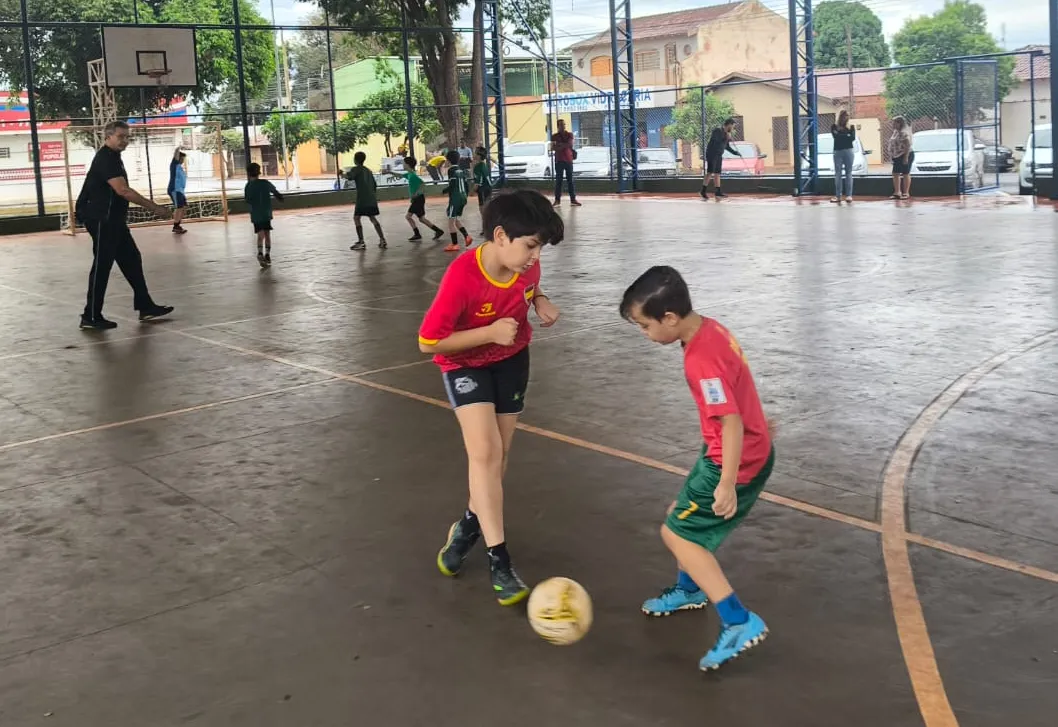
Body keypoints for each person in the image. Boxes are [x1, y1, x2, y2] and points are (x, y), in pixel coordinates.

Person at [620, 266, 774, 671]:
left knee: (677, 535)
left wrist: (726, 483)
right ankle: (690, 590)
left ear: (669, 318)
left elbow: (730, 421)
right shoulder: (710, 330)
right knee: (680, 515)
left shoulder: (701, 360)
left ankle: (738, 620)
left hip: (732, 460)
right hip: (735, 450)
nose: (645, 334)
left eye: (645, 326)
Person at [418, 189, 564, 606]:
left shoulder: (527, 267)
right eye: (531, 245)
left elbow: (531, 287)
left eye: (540, 248)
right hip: (464, 365)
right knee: (484, 452)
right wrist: (489, 332)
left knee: (498, 459)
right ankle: (499, 560)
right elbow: (428, 341)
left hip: (512, 360)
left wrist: (541, 300)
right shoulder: (462, 277)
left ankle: (468, 525)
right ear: (500, 236)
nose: (535, 256)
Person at [74, 120, 173, 331]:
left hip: (114, 220)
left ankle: (145, 306)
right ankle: (91, 316)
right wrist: (154, 207)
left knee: (131, 259)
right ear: (108, 136)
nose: (125, 141)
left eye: (127, 137)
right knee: (102, 265)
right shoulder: (106, 159)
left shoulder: (114, 157)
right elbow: (123, 190)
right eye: (121, 137)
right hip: (102, 219)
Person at [244, 162, 285, 267]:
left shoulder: (248, 186)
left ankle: (260, 253)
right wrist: (280, 198)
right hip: (266, 213)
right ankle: (267, 254)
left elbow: (247, 200)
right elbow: (276, 192)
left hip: (256, 214)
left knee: (260, 234)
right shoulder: (265, 183)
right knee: (267, 234)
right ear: (259, 172)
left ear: (248, 173)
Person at [395, 156, 444, 242]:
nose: (402, 164)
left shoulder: (413, 175)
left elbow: (422, 184)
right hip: (418, 199)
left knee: (408, 216)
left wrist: (415, 194)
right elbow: (400, 175)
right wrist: (389, 172)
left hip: (418, 199)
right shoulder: (410, 174)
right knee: (421, 219)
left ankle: (417, 234)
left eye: (404, 163)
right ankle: (438, 231)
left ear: (408, 164)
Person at [347, 151, 387, 250]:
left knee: (356, 218)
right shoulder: (368, 170)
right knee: (372, 218)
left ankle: (361, 242)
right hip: (371, 198)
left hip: (362, 199)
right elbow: (374, 185)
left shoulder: (356, 169)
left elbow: (350, 177)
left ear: (355, 160)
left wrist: (342, 174)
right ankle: (382, 239)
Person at [702, 118, 742, 199]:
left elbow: (727, 147)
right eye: (733, 126)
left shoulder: (726, 134)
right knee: (710, 172)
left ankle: (718, 192)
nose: (733, 128)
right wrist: (725, 137)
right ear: (729, 124)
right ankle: (703, 191)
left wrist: (735, 153)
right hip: (712, 154)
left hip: (719, 155)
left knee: (717, 173)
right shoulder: (718, 131)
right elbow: (715, 141)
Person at [443, 149, 472, 253]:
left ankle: (454, 244)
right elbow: (466, 185)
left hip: (455, 198)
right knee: (455, 219)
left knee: (451, 221)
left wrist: (444, 190)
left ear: (448, 160)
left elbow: (452, 184)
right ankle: (467, 236)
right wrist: (465, 195)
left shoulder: (451, 170)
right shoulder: (461, 170)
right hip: (463, 197)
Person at [551, 119, 580, 206]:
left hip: (568, 160)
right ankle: (557, 200)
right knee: (558, 181)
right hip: (559, 160)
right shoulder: (554, 136)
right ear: (558, 126)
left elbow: (569, 144)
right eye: (561, 125)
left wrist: (560, 145)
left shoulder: (569, 134)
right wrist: (562, 145)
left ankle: (573, 199)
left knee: (570, 180)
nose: (563, 126)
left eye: (564, 124)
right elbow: (553, 147)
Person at [831, 111, 856, 204]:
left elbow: (852, 138)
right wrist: (847, 135)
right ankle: (838, 196)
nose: (846, 118)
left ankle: (849, 195)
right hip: (838, 151)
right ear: (840, 117)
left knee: (848, 172)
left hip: (848, 150)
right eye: (845, 116)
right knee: (838, 173)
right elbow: (836, 136)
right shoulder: (834, 126)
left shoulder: (851, 126)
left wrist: (842, 135)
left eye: (847, 116)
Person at [889, 116, 914, 200]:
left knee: (905, 173)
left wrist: (906, 158)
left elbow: (907, 145)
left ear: (900, 123)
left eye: (894, 123)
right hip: (897, 155)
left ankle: (906, 193)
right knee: (895, 173)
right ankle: (897, 192)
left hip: (905, 154)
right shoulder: (896, 131)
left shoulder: (904, 132)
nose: (893, 124)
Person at [472, 146, 492, 235]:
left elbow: (478, 181)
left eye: (475, 153)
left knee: (483, 209)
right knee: (486, 208)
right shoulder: (484, 165)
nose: (474, 155)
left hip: (483, 189)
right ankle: (487, 227)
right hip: (488, 188)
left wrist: (472, 191)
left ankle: (486, 228)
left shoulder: (478, 166)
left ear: (479, 156)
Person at [167, 149, 188, 234]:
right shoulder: (174, 165)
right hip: (175, 189)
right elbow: (176, 153)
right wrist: (178, 147)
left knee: (184, 207)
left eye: (183, 159)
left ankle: (177, 224)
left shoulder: (180, 167)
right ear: (178, 158)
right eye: (181, 158)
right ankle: (176, 226)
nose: (183, 160)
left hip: (180, 191)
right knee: (179, 208)